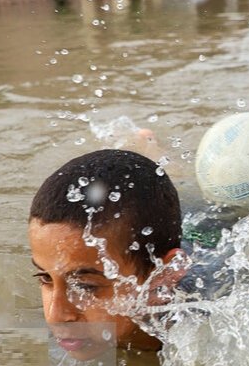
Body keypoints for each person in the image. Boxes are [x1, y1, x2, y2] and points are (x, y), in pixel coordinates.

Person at [29, 149, 186, 363]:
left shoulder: (215, 328)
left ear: (163, 275)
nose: (55, 316)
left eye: (85, 286)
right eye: (45, 278)